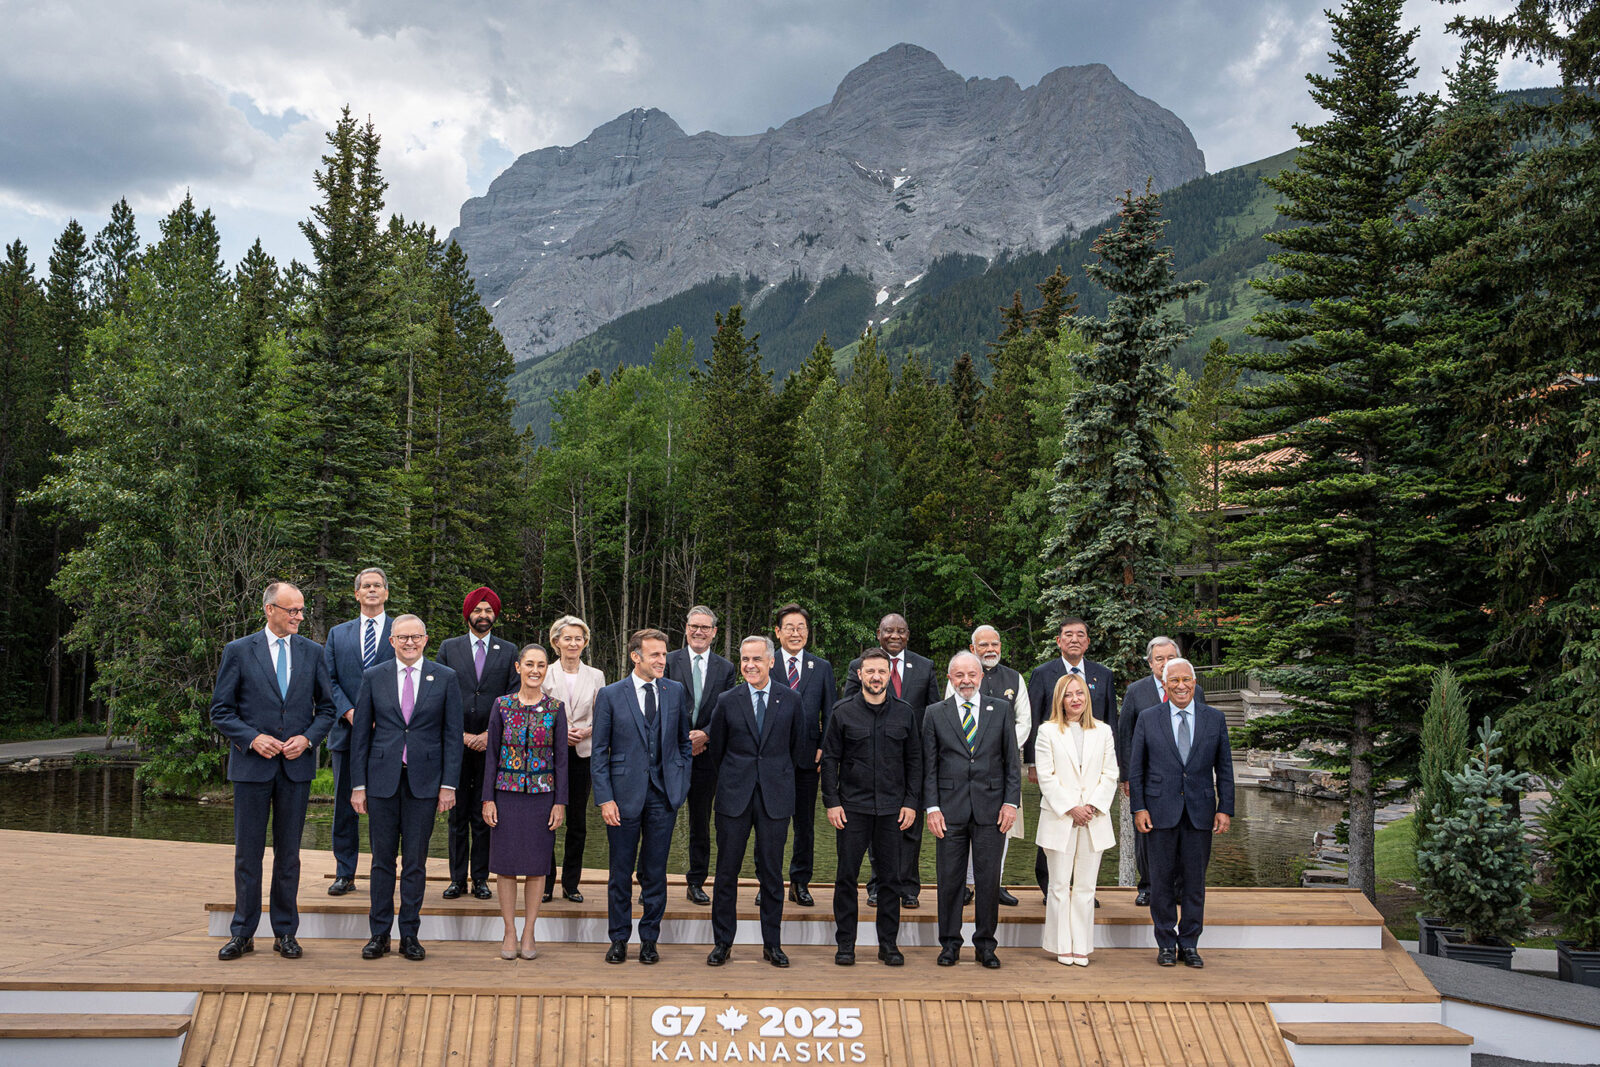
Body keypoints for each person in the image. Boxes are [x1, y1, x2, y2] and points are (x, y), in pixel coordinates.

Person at [210, 582, 337, 961]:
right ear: (269, 610)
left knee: (289, 855)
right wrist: (252, 738)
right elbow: (221, 711)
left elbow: (327, 710)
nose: (299, 617)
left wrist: (309, 739)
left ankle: (285, 933)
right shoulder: (238, 651)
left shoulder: (313, 653)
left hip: (296, 769)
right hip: (252, 769)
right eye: (292, 610)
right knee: (248, 855)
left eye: (301, 610)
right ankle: (243, 933)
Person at [350, 614, 464, 962]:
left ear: (426, 639)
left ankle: (410, 935)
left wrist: (448, 785)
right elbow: (360, 737)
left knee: (415, 862)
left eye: (416, 637)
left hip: (425, 783)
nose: (410, 643)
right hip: (382, 780)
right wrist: (358, 785)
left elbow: (451, 736)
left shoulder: (445, 678)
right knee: (382, 862)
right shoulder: (374, 676)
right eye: (403, 638)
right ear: (392, 642)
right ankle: (379, 935)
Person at [706, 636, 809, 968]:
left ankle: (772, 944)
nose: (750, 665)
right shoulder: (726, 699)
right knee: (726, 873)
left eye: (757, 659)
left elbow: (797, 748)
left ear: (771, 662)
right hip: (734, 797)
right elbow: (717, 750)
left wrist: (774, 775)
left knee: (772, 874)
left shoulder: (791, 700)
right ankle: (723, 943)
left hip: (775, 798)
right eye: (745, 660)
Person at [591, 628, 692, 965]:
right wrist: (605, 799)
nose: (662, 660)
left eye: (664, 654)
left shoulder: (675, 691)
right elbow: (599, 752)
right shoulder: (610, 694)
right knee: (619, 872)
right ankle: (619, 939)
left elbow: (683, 743)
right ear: (636, 657)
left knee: (655, 871)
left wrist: (680, 782)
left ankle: (650, 939)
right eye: (655, 655)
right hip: (622, 797)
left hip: (664, 796)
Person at [1129, 657, 1234, 969]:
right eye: (1173, 680)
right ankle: (1165, 943)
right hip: (1159, 812)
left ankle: (1189, 943)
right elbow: (1137, 770)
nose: (1180, 685)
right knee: (1160, 882)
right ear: (1164, 684)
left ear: (1194, 682)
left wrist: (1225, 808)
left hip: (1200, 813)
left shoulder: (1214, 718)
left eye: (1186, 679)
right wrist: (1139, 807)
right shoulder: (1149, 718)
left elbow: (1225, 769)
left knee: (1194, 883)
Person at [820, 647, 920, 966]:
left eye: (882, 671)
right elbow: (830, 758)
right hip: (852, 809)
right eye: (870, 672)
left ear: (889, 675)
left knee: (891, 879)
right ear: (860, 675)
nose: (876, 677)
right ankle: (846, 944)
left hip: (893, 810)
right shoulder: (842, 711)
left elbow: (915, 761)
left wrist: (911, 803)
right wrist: (832, 803)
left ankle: (888, 945)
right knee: (846, 876)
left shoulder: (905, 712)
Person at [924, 651, 1021, 968]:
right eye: (959, 675)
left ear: (980, 677)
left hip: (992, 810)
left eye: (971, 674)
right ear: (950, 679)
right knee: (949, 880)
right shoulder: (935, 713)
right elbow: (929, 767)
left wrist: (1010, 802)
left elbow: (1011, 763)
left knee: (988, 880)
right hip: (949, 811)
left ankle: (986, 945)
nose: (966, 680)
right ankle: (950, 944)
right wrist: (932, 807)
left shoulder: (1001, 710)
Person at [845, 613, 940, 909]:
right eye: (889, 631)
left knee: (910, 825)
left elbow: (935, 712)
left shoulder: (925, 667)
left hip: (913, 759)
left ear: (908, 635)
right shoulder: (860, 666)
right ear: (879, 633)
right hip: (872, 761)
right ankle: (876, 886)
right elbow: (847, 709)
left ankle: (909, 887)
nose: (894, 635)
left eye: (900, 631)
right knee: (878, 825)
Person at [483, 643, 568, 960]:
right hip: (506, 795)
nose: (535, 670)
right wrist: (487, 798)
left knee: (536, 867)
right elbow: (491, 755)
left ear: (547, 670)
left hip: (542, 797)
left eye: (541, 665)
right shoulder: (501, 705)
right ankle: (508, 931)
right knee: (505, 867)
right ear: (518, 667)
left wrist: (560, 802)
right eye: (529, 664)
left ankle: (529, 932)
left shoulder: (556, 709)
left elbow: (562, 760)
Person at [436, 586, 518, 901]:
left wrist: (490, 735)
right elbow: (440, 695)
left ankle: (481, 879)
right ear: (468, 613)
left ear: (495, 614)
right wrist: (460, 735)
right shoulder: (449, 647)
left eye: (488, 610)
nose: (483, 615)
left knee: (484, 813)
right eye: (478, 610)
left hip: (491, 746)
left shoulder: (508, 651)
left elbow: (511, 698)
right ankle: (457, 879)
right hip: (456, 743)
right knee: (456, 814)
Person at [1027, 618, 1116, 898]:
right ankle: (1050, 886)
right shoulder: (1043, 673)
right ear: (1059, 641)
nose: (1074, 639)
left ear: (1088, 642)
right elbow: (1033, 716)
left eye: (1081, 635)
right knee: (1056, 825)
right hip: (1056, 760)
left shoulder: (1103, 675)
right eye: (1068, 635)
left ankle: (1084, 890)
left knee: (1089, 835)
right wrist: (1032, 764)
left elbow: (1111, 717)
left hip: (1092, 765)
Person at [943, 624, 1031, 907]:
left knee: (1002, 824)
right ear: (973, 649)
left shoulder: (1014, 678)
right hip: (963, 765)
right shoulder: (960, 676)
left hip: (1003, 765)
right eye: (984, 645)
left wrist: (997, 746)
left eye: (995, 644)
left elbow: (1025, 721)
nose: (990, 649)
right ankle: (969, 884)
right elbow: (949, 716)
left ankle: (996, 882)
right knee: (967, 822)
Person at [1036, 672, 1118, 966]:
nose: (1075, 699)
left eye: (1080, 693)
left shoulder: (1103, 731)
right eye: (1069, 694)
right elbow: (1046, 776)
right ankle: (1061, 945)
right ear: (1060, 699)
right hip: (1060, 818)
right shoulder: (1047, 732)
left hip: (1093, 819)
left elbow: (1110, 773)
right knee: (1058, 885)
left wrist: (1092, 806)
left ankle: (1081, 945)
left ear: (1087, 697)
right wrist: (1071, 807)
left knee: (1085, 887)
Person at [321, 567, 394, 897]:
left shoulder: (400, 631)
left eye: (378, 585)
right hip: (346, 732)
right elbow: (329, 680)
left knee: (385, 806)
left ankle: (384, 870)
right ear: (356, 594)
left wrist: (385, 715)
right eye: (366, 586)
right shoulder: (339, 634)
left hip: (388, 735)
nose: (372, 590)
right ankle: (344, 872)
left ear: (386, 593)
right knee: (344, 806)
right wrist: (350, 712)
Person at [1117, 637, 1204, 906]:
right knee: (1147, 835)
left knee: (1182, 833)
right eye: (1159, 659)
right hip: (1148, 779)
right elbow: (1125, 736)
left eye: (1170, 658)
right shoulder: (1137, 691)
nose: (1165, 663)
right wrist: (1127, 777)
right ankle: (1148, 886)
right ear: (1150, 662)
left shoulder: (1193, 690)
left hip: (1184, 780)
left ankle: (1179, 887)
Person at [664, 605, 737, 905]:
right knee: (660, 818)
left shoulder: (726, 668)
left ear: (714, 632)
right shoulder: (669, 661)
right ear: (685, 628)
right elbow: (662, 704)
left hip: (707, 756)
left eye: (705, 627)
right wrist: (684, 739)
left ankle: (696, 880)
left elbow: (727, 710)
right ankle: (650, 879)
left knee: (700, 821)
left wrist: (706, 734)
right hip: (671, 754)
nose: (699, 632)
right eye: (694, 626)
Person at [773, 603, 836, 907]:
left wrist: (824, 746)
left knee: (804, 826)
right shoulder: (765, 663)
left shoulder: (820, 667)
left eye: (801, 628)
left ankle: (800, 882)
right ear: (778, 632)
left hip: (808, 759)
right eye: (789, 627)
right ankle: (768, 882)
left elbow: (831, 711)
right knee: (770, 823)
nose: (796, 633)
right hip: (771, 759)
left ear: (808, 633)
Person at [542, 614, 604, 904]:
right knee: (547, 820)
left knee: (577, 822)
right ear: (556, 642)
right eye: (567, 637)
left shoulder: (596, 675)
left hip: (583, 754)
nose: (573, 642)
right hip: (550, 754)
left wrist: (588, 730)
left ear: (585, 642)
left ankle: (571, 884)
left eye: (579, 638)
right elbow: (538, 712)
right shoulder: (545, 673)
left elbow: (602, 715)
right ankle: (544, 883)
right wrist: (560, 732)